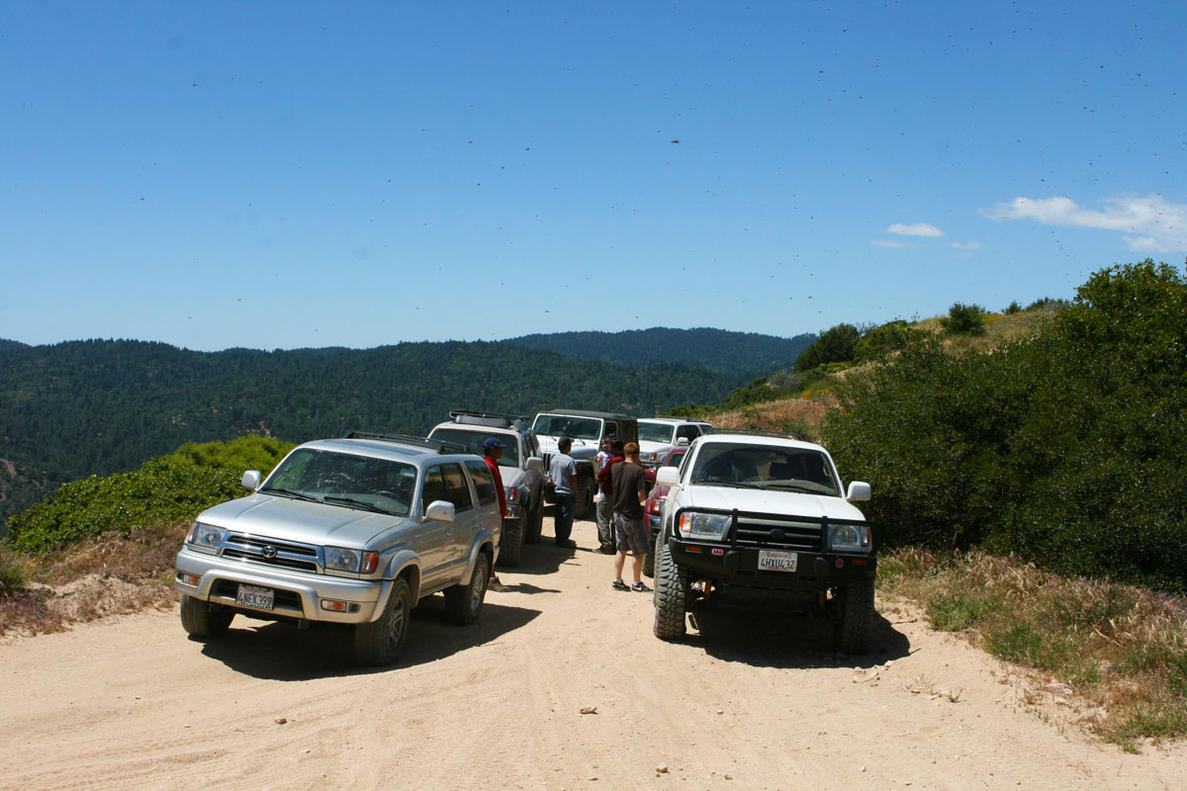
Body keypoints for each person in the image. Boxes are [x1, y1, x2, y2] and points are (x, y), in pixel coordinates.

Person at [610, 441, 649, 591]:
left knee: (621, 548)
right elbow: (640, 496)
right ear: (637, 454)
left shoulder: (615, 467)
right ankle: (637, 583)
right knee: (638, 551)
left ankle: (617, 579)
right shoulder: (638, 471)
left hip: (617, 513)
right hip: (632, 515)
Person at [482, 436, 510, 590]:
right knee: (492, 543)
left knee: (492, 543)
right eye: (499, 448)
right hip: (492, 511)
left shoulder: (491, 465)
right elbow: (495, 491)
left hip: (495, 510)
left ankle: (490, 576)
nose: (501, 451)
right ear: (492, 449)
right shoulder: (489, 467)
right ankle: (491, 578)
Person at [549, 436, 578, 548]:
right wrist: (576, 493)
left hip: (557, 491)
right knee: (567, 517)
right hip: (567, 493)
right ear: (567, 447)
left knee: (559, 516)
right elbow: (573, 478)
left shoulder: (554, 458)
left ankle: (558, 537)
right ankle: (563, 539)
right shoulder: (569, 461)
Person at [594, 438, 621, 554]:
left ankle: (606, 545)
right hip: (619, 495)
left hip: (607, 492)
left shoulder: (613, 461)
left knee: (602, 519)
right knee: (615, 520)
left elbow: (601, 475)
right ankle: (616, 544)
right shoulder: (625, 461)